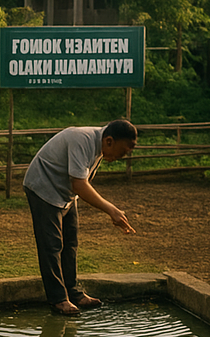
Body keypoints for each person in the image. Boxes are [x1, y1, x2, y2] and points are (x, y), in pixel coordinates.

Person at [23, 119, 138, 315]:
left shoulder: (99, 146)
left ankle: (74, 293)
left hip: (64, 194)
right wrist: (111, 210)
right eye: (122, 151)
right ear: (109, 141)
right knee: (51, 246)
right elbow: (79, 185)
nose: (121, 157)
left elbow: (79, 183)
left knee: (71, 242)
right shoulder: (81, 139)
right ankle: (58, 299)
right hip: (43, 187)